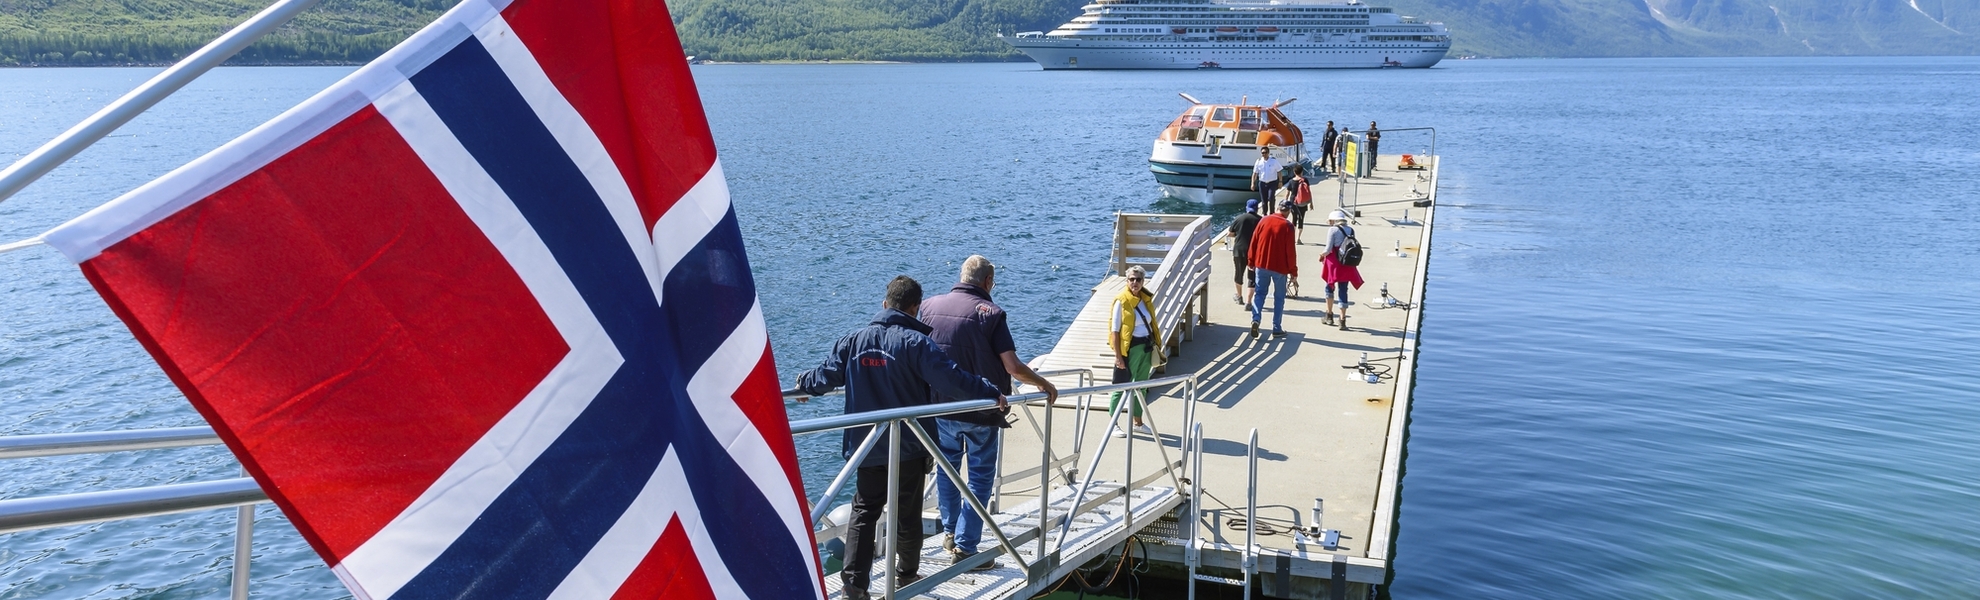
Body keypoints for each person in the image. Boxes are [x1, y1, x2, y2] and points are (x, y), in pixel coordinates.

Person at [794, 276, 1006, 600]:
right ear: (915, 308)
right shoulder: (916, 343)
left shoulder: (854, 340)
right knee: (907, 513)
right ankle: (906, 575)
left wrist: (803, 383)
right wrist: (991, 391)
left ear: (884, 304)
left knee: (864, 511)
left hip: (866, 445)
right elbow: (952, 380)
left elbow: (825, 376)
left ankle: (854, 585)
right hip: (908, 443)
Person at [920, 256, 1059, 569]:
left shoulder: (928, 307)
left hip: (941, 406)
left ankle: (950, 531)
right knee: (980, 477)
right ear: (987, 282)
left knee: (947, 470)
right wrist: (1043, 383)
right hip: (983, 408)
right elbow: (1013, 367)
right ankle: (967, 547)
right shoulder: (991, 314)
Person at [1108, 266, 1159, 438]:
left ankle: (1137, 422)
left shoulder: (1145, 299)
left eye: (1138, 279)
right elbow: (1114, 331)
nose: (1135, 283)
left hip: (1145, 347)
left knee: (1141, 386)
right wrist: (1117, 356)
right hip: (1129, 349)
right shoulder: (1121, 301)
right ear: (1126, 281)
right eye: (1131, 279)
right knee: (1120, 386)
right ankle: (1113, 423)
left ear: (1143, 281)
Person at [1247, 198, 1299, 338]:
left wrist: (1251, 261)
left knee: (1260, 294)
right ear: (1288, 211)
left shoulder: (1263, 220)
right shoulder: (1288, 226)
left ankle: (1256, 319)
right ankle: (1276, 327)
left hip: (1261, 264)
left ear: (1277, 208)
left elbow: (1254, 242)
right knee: (1279, 297)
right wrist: (1293, 271)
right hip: (1280, 268)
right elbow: (1290, 251)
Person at [1320, 210, 1365, 330]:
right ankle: (1342, 320)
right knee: (1343, 289)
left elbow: (1328, 249)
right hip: (1346, 263)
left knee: (1329, 288)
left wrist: (1321, 255)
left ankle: (1329, 315)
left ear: (1334, 220)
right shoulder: (1351, 230)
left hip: (1334, 263)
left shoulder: (1333, 230)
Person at [1222, 199, 1263, 305]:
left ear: (1247, 208)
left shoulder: (1239, 218)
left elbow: (1230, 233)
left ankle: (1239, 296)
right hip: (1255, 251)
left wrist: (1237, 234)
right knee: (1252, 276)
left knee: (1239, 273)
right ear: (1257, 209)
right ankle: (1249, 302)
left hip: (1239, 250)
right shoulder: (1261, 220)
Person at [1287, 169, 1312, 243]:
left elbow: (1287, 193)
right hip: (1303, 203)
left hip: (1293, 202)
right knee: (1301, 220)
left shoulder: (1291, 181)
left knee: (1294, 219)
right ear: (1302, 172)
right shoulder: (1305, 180)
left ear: (1294, 172)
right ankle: (1298, 238)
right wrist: (1311, 203)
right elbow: (1309, 191)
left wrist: (1286, 201)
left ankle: (1292, 237)